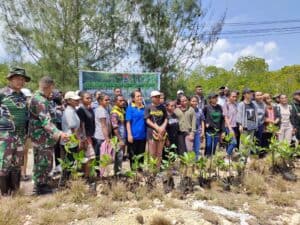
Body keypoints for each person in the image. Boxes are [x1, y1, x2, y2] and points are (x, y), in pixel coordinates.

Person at [29, 76, 68, 195]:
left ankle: (41, 185)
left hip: (41, 136)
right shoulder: (40, 100)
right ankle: (40, 187)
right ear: (49, 86)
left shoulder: (38, 98)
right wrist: (59, 133)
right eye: (52, 88)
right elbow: (46, 121)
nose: (52, 90)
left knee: (42, 161)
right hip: (42, 137)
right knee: (43, 162)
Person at [0, 67, 30, 195]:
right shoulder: (2, 94)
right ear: (10, 79)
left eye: (22, 79)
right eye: (18, 78)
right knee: (4, 163)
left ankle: (15, 191)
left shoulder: (23, 96)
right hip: (5, 136)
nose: (20, 81)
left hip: (20, 136)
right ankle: (4, 193)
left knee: (17, 163)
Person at [60, 91, 81, 185]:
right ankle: (63, 183)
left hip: (72, 141)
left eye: (77, 99)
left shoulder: (72, 110)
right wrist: (79, 140)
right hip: (68, 142)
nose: (77, 100)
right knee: (68, 164)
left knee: (71, 163)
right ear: (68, 101)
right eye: (75, 99)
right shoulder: (69, 112)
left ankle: (67, 182)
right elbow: (73, 129)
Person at [144, 91, 168, 169]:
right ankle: (152, 171)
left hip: (161, 133)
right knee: (152, 153)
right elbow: (147, 120)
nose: (157, 98)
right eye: (155, 96)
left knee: (159, 153)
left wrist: (162, 127)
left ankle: (157, 170)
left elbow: (166, 119)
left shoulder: (163, 107)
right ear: (151, 98)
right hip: (152, 132)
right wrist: (157, 127)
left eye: (158, 96)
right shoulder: (148, 107)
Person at [126, 90, 146, 170]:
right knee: (133, 156)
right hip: (133, 137)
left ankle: (140, 172)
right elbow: (128, 122)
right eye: (138, 96)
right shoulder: (130, 108)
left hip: (143, 136)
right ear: (133, 99)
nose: (140, 97)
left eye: (140, 96)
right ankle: (134, 173)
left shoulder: (144, 108)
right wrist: (129, 135)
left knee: (141, 156)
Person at [77, 91, 95, 179]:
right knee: (90, 157)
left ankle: (86, 176)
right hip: (85, 137)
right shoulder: (81, 110)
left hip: (90, 136)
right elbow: (81, 125)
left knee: (87, 157)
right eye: (87, 98)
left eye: (90, 98)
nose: (90, 99)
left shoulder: (90, 109)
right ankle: (86, 177)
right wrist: (84, 138)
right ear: (81, 99)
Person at [236, 88, 258, 153]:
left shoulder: (254, 104)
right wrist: (240, 125)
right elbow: (239, 115)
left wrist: (256, 125)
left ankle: (247, 157)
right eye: (249, 93)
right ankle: (242, 158)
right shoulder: (241, 104)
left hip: (252, 126)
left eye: (251, 93)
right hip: (244, 126)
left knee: (250, 143)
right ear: (244, 95)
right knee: (243, 143)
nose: (251, 94)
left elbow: (256, 115)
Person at [93, 93, 112, 165]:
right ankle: (98, 174)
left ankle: (99, 173)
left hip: (102, 136)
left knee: (101, 157)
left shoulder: (104, 109)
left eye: (108, 99)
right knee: (99, 157)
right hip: (100, 137)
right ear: (100, 101)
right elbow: (103, 125)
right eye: (106, 100)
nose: (108, 101)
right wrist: (107, 138)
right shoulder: (101, 110)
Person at [110, 95, 126, 175]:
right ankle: (117, 174)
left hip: (123, 136)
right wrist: (120, 140)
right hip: (118, 138)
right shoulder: (114, 112)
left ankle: (118, 172)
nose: (122, 102)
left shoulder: (121, 110)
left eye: (123, 100)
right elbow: (115, 128)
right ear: (116, 102)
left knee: (120, 155)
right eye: (120, 101)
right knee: (119, 156)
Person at [222, 91, 240, 156]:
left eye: (235, 96)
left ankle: (228, 157)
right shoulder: (226, 105)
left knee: (229, 142)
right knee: (234, 142)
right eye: (233, 96)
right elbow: (225, 117)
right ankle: (226, 155)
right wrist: (230, 128)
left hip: (236, 126)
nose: (235, 98)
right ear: (229, 97)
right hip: (229, 126)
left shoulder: (236, 104)